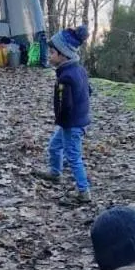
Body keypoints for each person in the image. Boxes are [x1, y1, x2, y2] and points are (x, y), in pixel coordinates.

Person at [32, 25, 92, 204]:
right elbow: (89, 91)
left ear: (63, 54)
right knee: (53, 146)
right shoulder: (78, 70)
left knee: (73, 156)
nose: (49, 56)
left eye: (52, 53)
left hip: (71, 124)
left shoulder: (65, 78)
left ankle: (84, 191)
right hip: (75, 121)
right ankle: (55, 172)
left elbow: (63, 106)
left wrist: (62, 120)